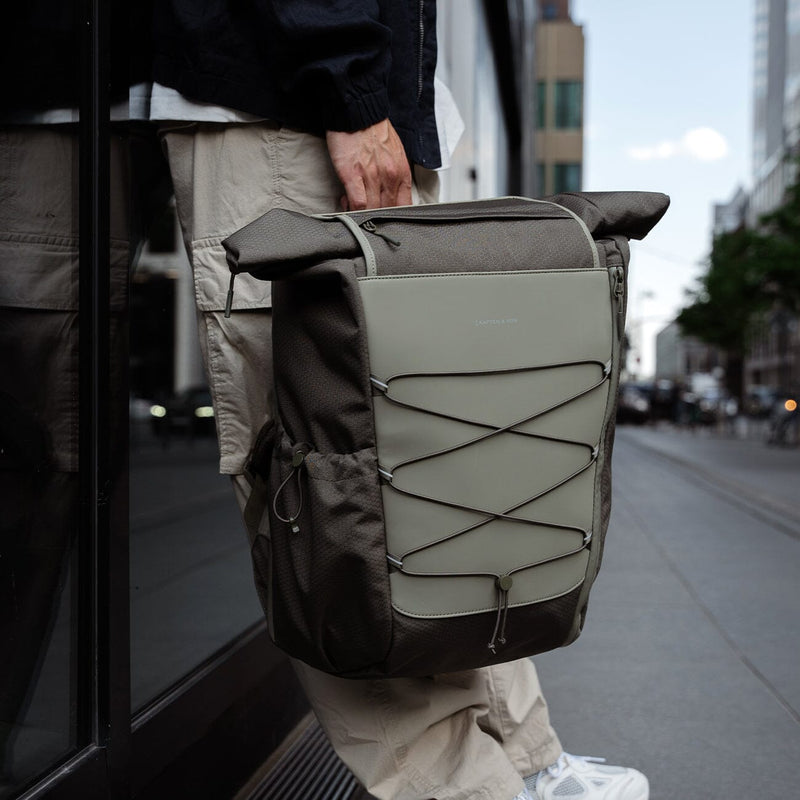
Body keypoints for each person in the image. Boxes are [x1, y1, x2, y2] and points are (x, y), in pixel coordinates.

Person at [150, 3, 650, 798]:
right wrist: (347, 84)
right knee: (340, 504)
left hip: (321, 93)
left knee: (426, 492)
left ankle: (527, 765)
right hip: (288, 98)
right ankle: (474, 788)